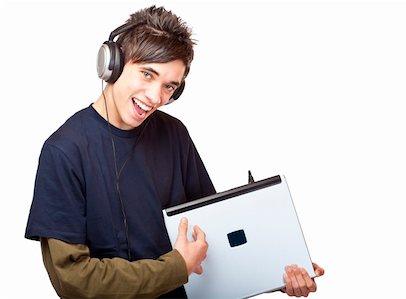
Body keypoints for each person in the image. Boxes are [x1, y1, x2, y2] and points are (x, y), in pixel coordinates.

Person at [25, 5, 324, 298]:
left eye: (169, 86)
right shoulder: (63, 151)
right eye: (147, 74)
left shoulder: (174, 133)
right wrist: (176, 267)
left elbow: (211, 237)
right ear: (113, 65)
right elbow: (73, 281)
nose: (156, 97)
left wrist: (276, 272)